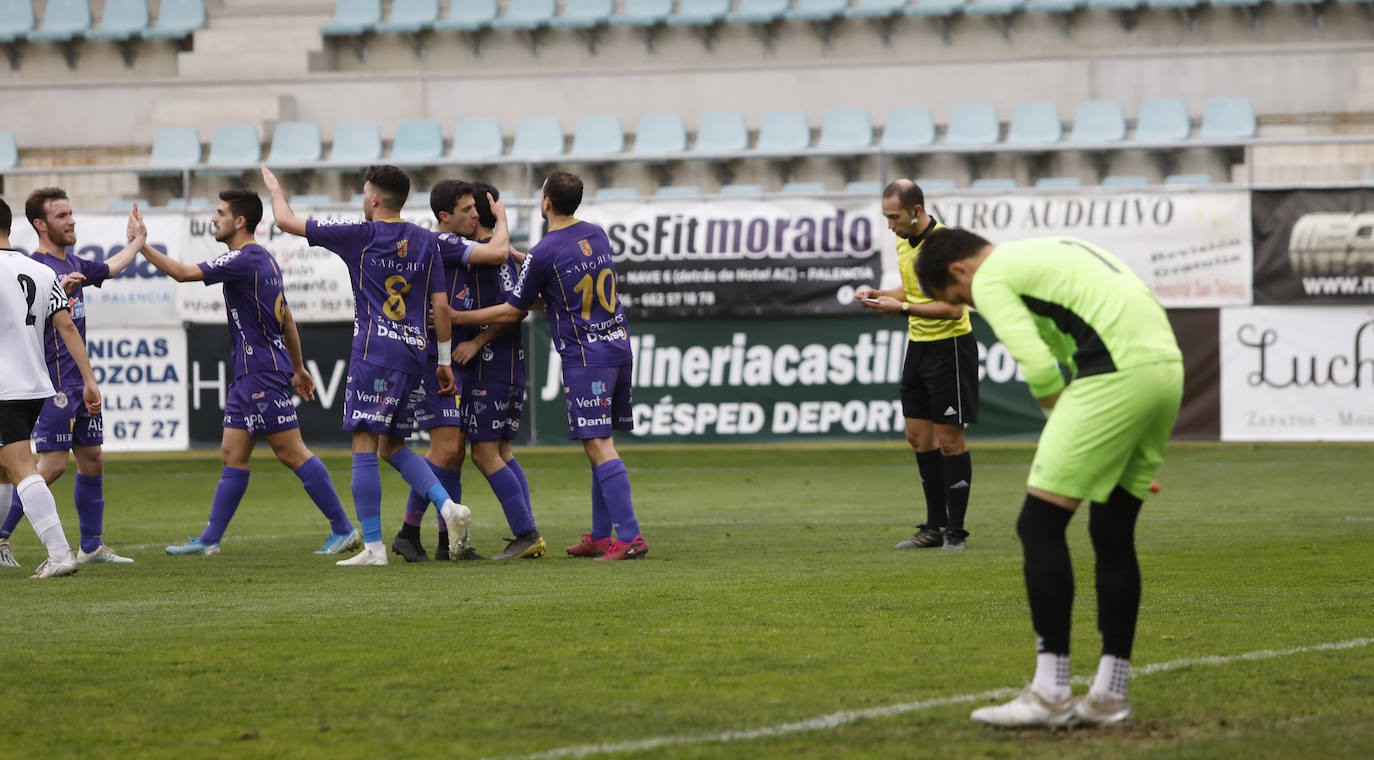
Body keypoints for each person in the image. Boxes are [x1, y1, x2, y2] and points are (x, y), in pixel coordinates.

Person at [915, 228, 1183, 728]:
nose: (970, 305)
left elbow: (1039, 366)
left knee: (1038, 525)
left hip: (1116, 374)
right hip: (1165, 369)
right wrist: (1105, 442)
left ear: (959, 271)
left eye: (960, 300)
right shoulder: (1042, 251)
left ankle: (1050, 692)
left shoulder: (990, 276)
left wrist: (1066, 420)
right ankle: (1109, 696)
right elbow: (1071, 338)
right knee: (1110, 531)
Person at [131, 191, 362, 556]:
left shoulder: (244, 259)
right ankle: (210, 539)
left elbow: (183, 273)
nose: (214, 218)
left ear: (240, 221)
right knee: (232, 453)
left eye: (220, 213)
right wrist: (299, 368)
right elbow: (287, 319)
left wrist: (141, 246)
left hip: (261, 372)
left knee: (291, 452)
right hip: (251, 374)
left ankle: (344, 528)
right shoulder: (264, 260)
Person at [262, 163, 468, 567]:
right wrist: (443, 361)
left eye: (363, 191)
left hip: (374, 353)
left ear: (373, 198)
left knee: (363, 441)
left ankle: (373, 547)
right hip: (414, 354)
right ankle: (446, 506)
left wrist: (274, 187)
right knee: (393, 446)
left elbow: (285, 221)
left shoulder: (361, 235)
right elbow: (441, 307)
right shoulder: (428, 241)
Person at [450, 171, 646, 561]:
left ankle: (630, 537)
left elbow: (513, 307)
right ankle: (600, 535)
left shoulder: (545, 251)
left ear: (545, 203)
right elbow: (548, 271)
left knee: (599, 445)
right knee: (601, 444)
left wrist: (457, 318)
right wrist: (522, 258)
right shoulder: (596, 234)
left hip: (586, 356)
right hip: (618, 347)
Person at [0, 188, 146, 566]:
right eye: (62, 215)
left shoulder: (74, 263)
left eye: (70, 213)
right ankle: (2, 537)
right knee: (48, 465)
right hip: (50, 381)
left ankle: (92, 546)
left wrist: (138, 243)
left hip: (78, 381)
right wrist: (55, 299)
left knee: (92, 458)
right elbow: (46, 322)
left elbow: (112, 267)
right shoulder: (35, 267)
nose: (71, 220)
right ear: (40, 224)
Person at [389, 179, 519, 563]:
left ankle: (448, 544)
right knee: (445, 448)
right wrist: (502, 217)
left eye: (476, 209)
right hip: (431, 358)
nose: (475, 214)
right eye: (467, 210)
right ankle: (409, 532)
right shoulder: (442, 242)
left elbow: (504, 254)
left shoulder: (449, 246)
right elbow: (497, 253)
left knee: (454, 452)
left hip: (444, 358)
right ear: (445, 216)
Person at [856, 179, 977, 551]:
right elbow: (912, 291)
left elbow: (954, 307)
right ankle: (934, 527)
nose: (889, 224)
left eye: (894, 217)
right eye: (886, 217)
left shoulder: (945, 247)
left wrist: (903, 309)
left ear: (916, 211)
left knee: (949, 440)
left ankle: (955, 532)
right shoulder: (903, 239)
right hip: (919, 346)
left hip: (950, 347)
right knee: (917, 437)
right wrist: (879, 294)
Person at [0, 197, 103, 578]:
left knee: (23, 469)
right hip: (34, 387)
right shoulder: (40, 270)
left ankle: (60, 553)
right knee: (5, 471)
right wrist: (90, 379)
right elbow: (67, 325)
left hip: (4, 388)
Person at [456, 182, 543, 561]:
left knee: (484, 454)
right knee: (502, 451)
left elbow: (516, 308)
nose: (469, 215)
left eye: (471, 208)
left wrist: (477, 341)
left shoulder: (497, 253)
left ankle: (527, 533)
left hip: (496, 368)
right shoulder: (493, 251)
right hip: (503, 368)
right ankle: (526, 529)